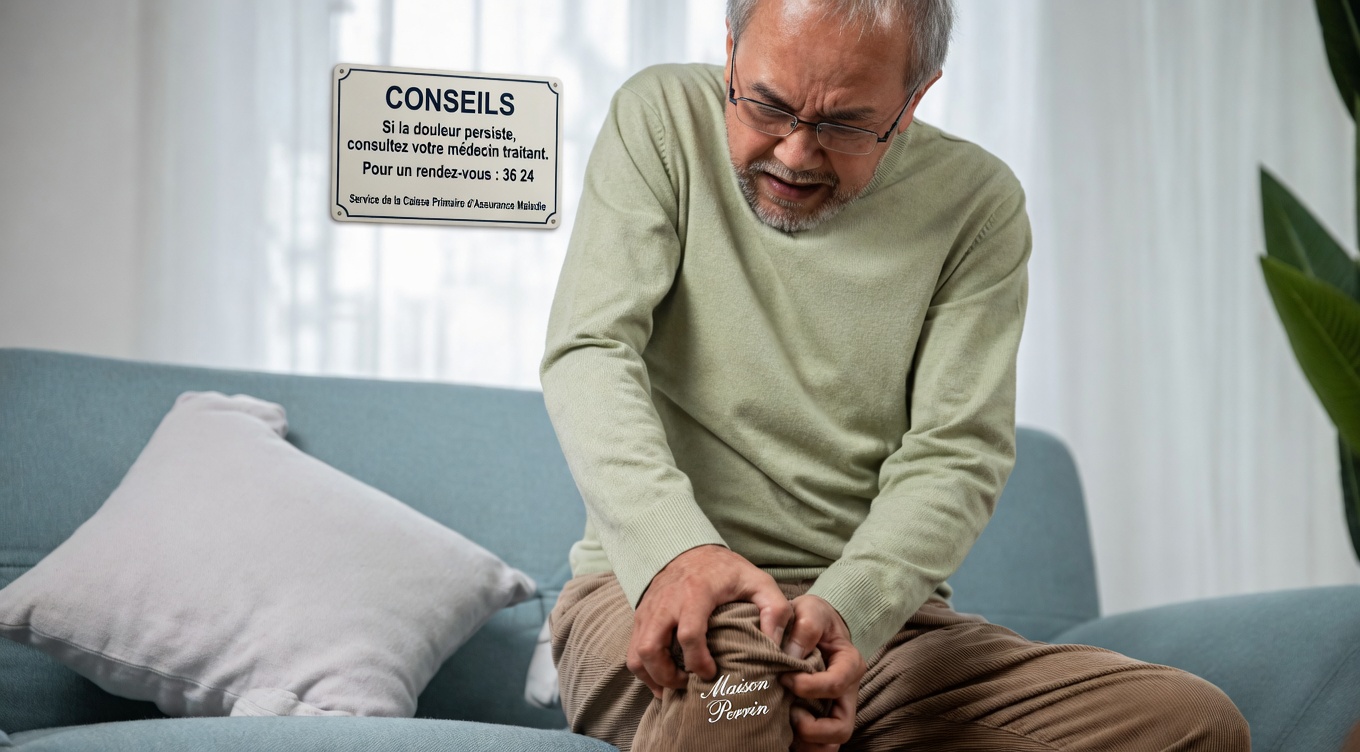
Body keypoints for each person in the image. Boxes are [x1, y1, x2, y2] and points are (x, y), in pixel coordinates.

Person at [539, 0, 1251, 750]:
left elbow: (956, 453)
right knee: (745, 678)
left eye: (844, 124)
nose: (793, 153)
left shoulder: (978, 206)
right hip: (661, 597)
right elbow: (591, 348)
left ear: (914, 101)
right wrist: (677, 553)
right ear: (730, 53)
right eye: (769, 105)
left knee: (1194, 725)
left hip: (880, 639)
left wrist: (850, 611)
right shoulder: (661, 119)